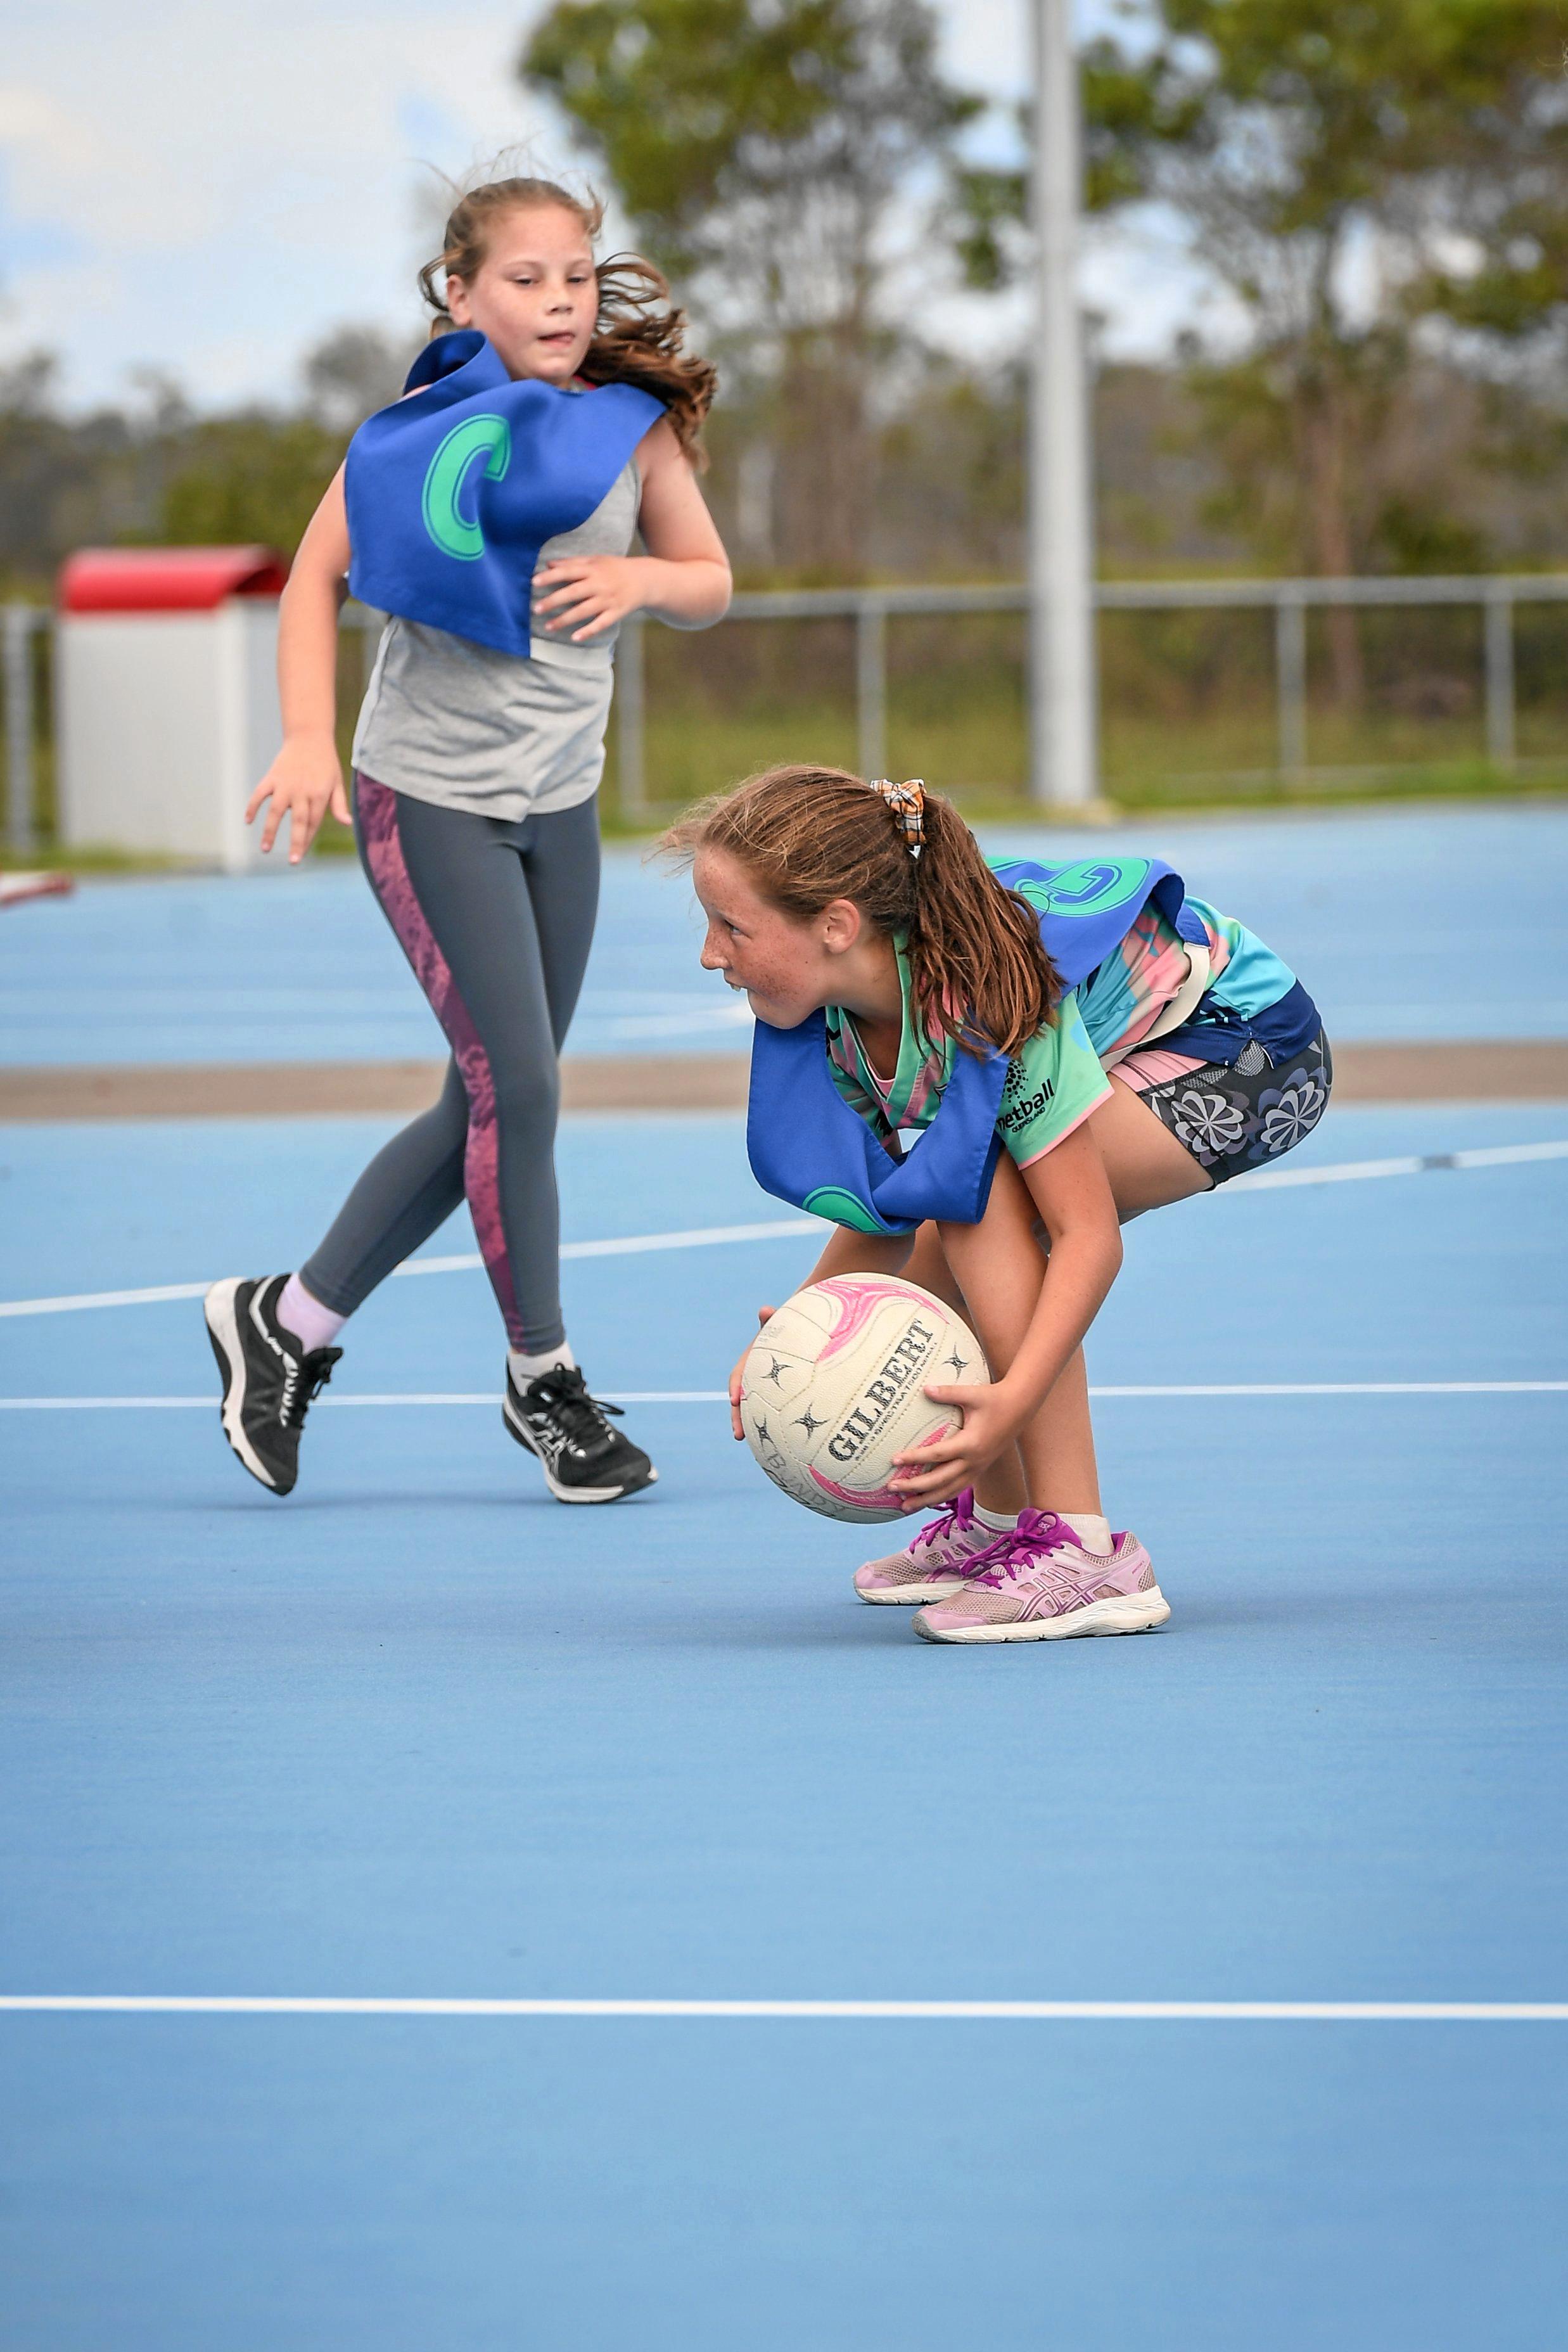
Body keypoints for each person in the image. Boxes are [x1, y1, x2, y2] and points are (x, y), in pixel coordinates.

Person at [205, 173, 730, 1503]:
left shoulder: (631, 431)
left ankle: (288, 1322)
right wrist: (306, 736)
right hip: (426, 793)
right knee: (524, 1089)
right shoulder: (409, 435)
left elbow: (711, 581)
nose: (558, 300)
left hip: (558, 805)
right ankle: (541, 1380)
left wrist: (640, 580)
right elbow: (313, 575)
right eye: (524, 278)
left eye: (575, 274)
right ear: (460, 293)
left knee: (492, 1094)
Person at [667, 766, 1331, 1644]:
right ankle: (1001, 1525)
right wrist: (795, 1330)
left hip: (1242, 1045)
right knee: (963, 1190)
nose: (711, 954)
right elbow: (892, 1203)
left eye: (732, 927)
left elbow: (1083, 1234)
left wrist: (1013, 1400)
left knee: (989, 1202)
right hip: (1138, 1039)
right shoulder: (846, 1009)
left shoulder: (988, 1000)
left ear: (835, 926)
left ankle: (1088, 1554)